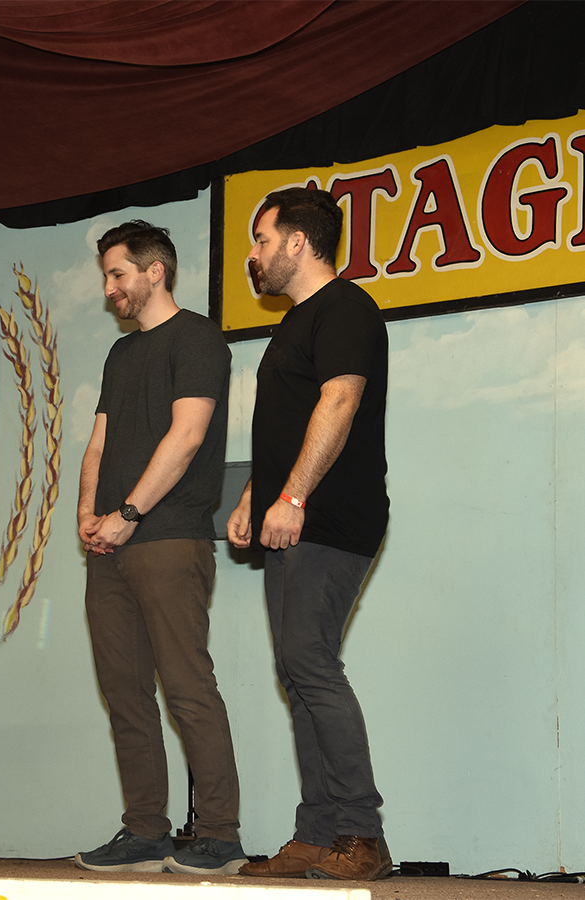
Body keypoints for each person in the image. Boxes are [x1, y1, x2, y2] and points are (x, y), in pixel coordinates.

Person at [227, 188, 391, 881]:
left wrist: (292, 496)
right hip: (294, 514)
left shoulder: (345, 306)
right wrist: (254, 494)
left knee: (311, 664)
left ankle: (361, 834)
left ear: (297, 242)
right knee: (297, 672)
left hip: (329, 516)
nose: (254, 254)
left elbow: (340, 400)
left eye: (262, 239)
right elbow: (290, 423)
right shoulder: (296, 322)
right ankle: (317, 833)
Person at [75, 220, 247, 876]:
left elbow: (187, 435)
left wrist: (127, 513)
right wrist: (88, 513)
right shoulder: (121, 355)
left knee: (186, 688)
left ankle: (220, 836)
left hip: (168, 537)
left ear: (155, 271)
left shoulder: (197, 337)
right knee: (124, 692)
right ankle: (145, 832)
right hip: (109, 547)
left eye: (117, 274)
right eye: (106, 277)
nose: (109, 289)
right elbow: (98, 442)